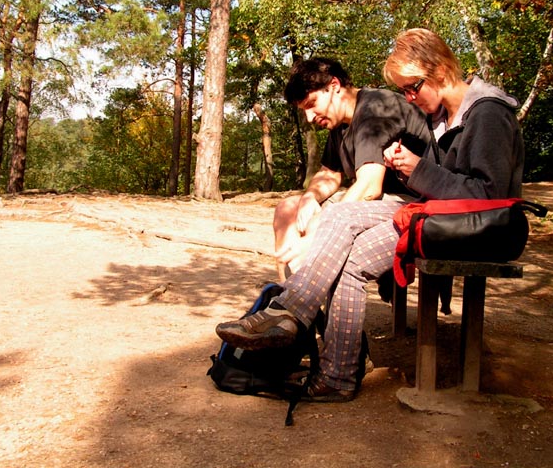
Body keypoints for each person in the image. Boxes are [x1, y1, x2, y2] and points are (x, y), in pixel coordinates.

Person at [217, 28, 524, 401]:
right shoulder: (442, 113)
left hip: (480, 229)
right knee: (350, 261)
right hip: (436, 218)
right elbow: (339, 176)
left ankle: (288, 312)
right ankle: (337, 377)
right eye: (405, 90)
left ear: (441, 70)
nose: (408, 98)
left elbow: (488, 195)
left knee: (341, 217)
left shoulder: (487, 113)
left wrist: (417, 170)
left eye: (412, 88)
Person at [273, 57, 433, 280]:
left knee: (320, 222)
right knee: (288, 209)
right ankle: (292, 299)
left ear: (334, 86)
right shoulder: (340, 122)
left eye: (311, 104)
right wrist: (309, 197)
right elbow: (329, 173)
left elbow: (369, 187)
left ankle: (299, 295)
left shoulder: (376, 108)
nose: (309, 117)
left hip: (415, 205)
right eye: (304, 111)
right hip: (382, 204)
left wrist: (316, 234)